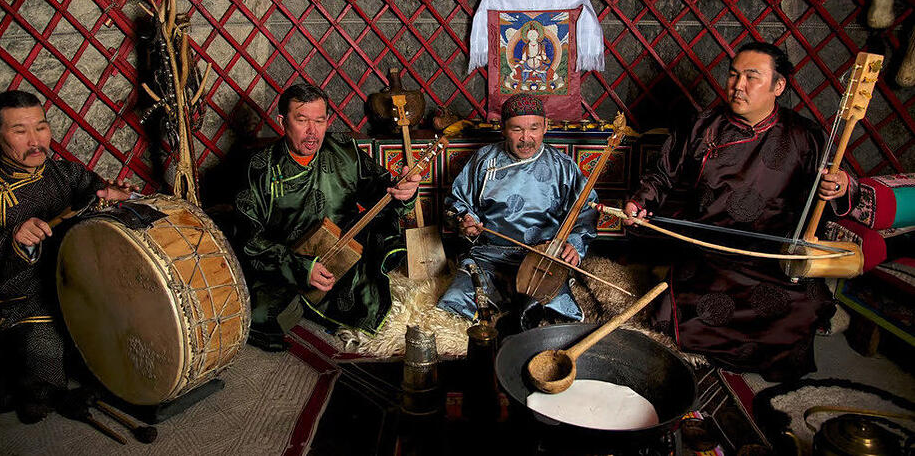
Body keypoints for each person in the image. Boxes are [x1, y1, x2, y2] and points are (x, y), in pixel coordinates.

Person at [623, 42, 854, 382]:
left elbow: (836, 186)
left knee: (801, 307)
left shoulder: (805, 135)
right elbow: (662, 175)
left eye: (751, 77)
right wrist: (641, 203)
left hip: (772, 254)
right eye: (733, 75)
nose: (738, 86)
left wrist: (841, 186)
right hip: (709, 250)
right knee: (684, 311)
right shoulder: (702, 126)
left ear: (778, 86)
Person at [0, 90, 135, 422]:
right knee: (42, 382)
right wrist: (14, 241)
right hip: (23, 301)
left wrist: (113, 198)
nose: (35, 140)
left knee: (132, 330)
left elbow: (98, 215)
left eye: (41, 127)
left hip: (79, 281)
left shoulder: (66, 173)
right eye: (20, 131)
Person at [235, 83, 421, 350]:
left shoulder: (344, 150)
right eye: (302, 120)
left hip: (342, 253)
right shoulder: (260, 167)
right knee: (259, 316)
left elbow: (383, 192)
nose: (312, 131)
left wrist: (404, 192)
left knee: (378, 248)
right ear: (283, 122)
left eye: (319, 121)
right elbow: (249, 238)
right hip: (288, 260)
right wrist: (301, 268)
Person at [438, 94, 598, 325]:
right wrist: (466, 219)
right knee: (455, 302)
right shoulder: (484, 160)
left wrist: (575, 243)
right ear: (503, 129)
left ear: (545, 127)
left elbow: (586, 209)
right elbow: (457, 201)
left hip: (542, 260)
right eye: (517, 129)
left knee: (557, 318)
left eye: (534, 128)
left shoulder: (562, 166)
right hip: (489, 256)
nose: (526, 138)